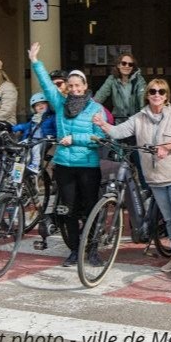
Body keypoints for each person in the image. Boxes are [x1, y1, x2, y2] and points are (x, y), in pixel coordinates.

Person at [94, 79, 171, 279]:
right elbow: (118, 131)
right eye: (152, 91)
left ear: (166, 95)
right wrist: (102, 124)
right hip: (155, 177)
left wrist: (167, 146)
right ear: (147, 95)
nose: (156, 94)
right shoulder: (139, 117)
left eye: (161, 91)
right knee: (169, 220)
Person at [28, 42, 107, 267]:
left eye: (77, 85)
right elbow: (46, 84)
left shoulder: (95, 109)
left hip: (88, 166)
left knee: (90, 209)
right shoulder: (61, 104)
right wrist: (35, 61)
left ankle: (92, 249)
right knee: (68, 211)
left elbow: (99, 138)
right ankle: (74, 250)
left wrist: (75, 139)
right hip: (64, 165)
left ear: (85, 86)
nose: (73, 89)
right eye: (70, 85)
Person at [11, 92, 57, 175]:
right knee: (18, 147)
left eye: (43, 103)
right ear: (34, 108)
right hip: (31, 139)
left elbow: (57, 129)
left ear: (48, 104)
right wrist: (15, 128)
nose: (40, 106)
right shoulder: (34, 118)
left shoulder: (51, 117)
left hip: (43, 140)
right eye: (37, 105)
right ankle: (15, 169)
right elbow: (26, 126)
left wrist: (53, 135)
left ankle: (35, 165)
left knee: (35, 148)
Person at [94, 52, 146, 124]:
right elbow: (100, 96)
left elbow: (142, 98)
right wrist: (90, 108)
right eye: (124, 63)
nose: (127, 66)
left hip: (135, 121)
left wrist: (145, 118)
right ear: (118, 65)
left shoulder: (139, 80)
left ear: (133, 67)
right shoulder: (112, 79)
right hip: (118, 121)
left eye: (130, 64)